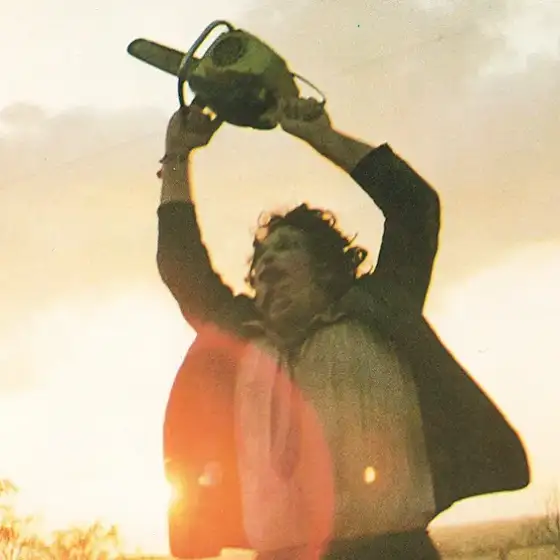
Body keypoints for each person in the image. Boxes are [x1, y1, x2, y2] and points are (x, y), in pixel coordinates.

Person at [156, 97, 530, 560]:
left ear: (327, 265)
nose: (267, 261)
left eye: (286, 247)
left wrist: (322, 137)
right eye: (261, 257)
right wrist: (177, 156)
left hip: (394, 551)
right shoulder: (241, 336)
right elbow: (181, 264)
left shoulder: (380, 306)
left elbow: (413, 206)